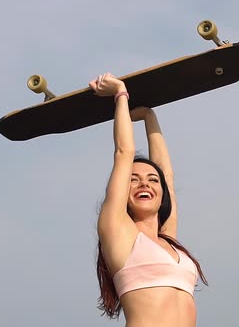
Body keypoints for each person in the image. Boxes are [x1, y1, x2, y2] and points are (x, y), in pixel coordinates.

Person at [89, 72, 208, 326]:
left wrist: (148, 117)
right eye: (134, 179)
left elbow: (168, 177)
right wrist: (120, 93)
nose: (145, 183)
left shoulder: (169, 241)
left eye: (152, 181)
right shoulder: (118, 233)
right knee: (136, 166)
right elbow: (124, 152)